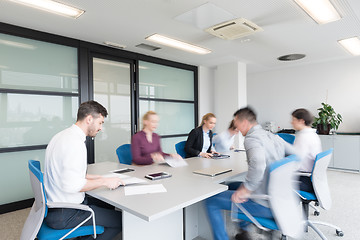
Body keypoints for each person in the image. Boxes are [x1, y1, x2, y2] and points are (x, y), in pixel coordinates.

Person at [205, 107, 295, 240]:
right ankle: (243, 231)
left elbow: (258, 166)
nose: (236, 128)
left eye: (237, 124)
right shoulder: (271, 135)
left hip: (264, 202)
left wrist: (246, 189)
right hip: (281, 198)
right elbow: (295, 155)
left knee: (211, 200)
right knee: (232, 185)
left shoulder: (252, 138)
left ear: (244, 122)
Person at [43, 100, 122, 240]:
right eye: (100, 123)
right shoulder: (75, 143)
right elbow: (74, 185)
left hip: (55, 206)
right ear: (89, 119)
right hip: (67, 213)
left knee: (107, 205)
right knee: (121, 220)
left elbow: (65, 173)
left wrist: (96, 178)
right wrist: (104, 182)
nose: (101, 128)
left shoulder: (62, 136)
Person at [291, 108, 322, 193]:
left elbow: (296, 162)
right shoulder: (313, 134)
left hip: (304, 180)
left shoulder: (303, 137)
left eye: (293, 120)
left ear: (301, 121)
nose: (291, 122)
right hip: (313, 180)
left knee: (272, 180)